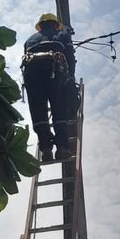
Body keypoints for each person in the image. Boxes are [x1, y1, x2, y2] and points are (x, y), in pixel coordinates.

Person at [22, 13, 76, 163]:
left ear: (40, 26)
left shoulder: (29, 40)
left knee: (38, 111)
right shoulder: (62, 34)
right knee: (59, 109)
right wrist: (70, 77)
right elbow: (70, 57)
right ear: (55, 24)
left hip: (32, 74)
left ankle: (46, 149)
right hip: (54, 71)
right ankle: (62, 148)